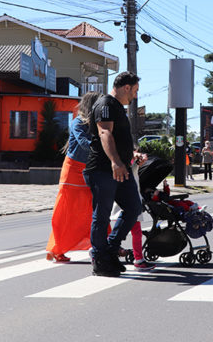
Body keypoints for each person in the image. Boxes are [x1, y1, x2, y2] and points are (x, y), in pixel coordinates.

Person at [84, 71, 145, 277]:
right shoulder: (106, 104)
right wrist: (115, 162)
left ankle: (110, 249)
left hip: (121, 167)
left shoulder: (117, 106)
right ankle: (100, 259)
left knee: (134, 206)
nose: (134, 96)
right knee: (102, 215)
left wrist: (131, 154)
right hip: (103, 169)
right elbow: (105, 133)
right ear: (126, 87)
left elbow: (118, 137)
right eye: (134, 91)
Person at [45, 91, 102, 263]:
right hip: (72, 171)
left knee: (95, 209)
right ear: (92, 106)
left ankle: (102, 244)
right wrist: (103, 145)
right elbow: (84, 143)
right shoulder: (77, 122)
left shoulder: (98, 124)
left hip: (89, 170)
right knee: (66, 212)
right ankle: (57, 249)